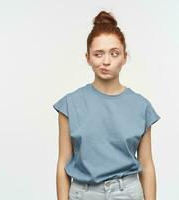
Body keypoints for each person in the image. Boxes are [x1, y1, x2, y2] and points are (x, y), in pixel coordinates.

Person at [53, 11, 160, 200]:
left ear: (125, 57)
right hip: (83, 193)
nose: (106, 61)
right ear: (88, 58)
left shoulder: (141, 106)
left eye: (114, 53)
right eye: (98, 54)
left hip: (128, 192)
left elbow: (147, 164)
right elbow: (63, 162)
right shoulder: (70, 104)